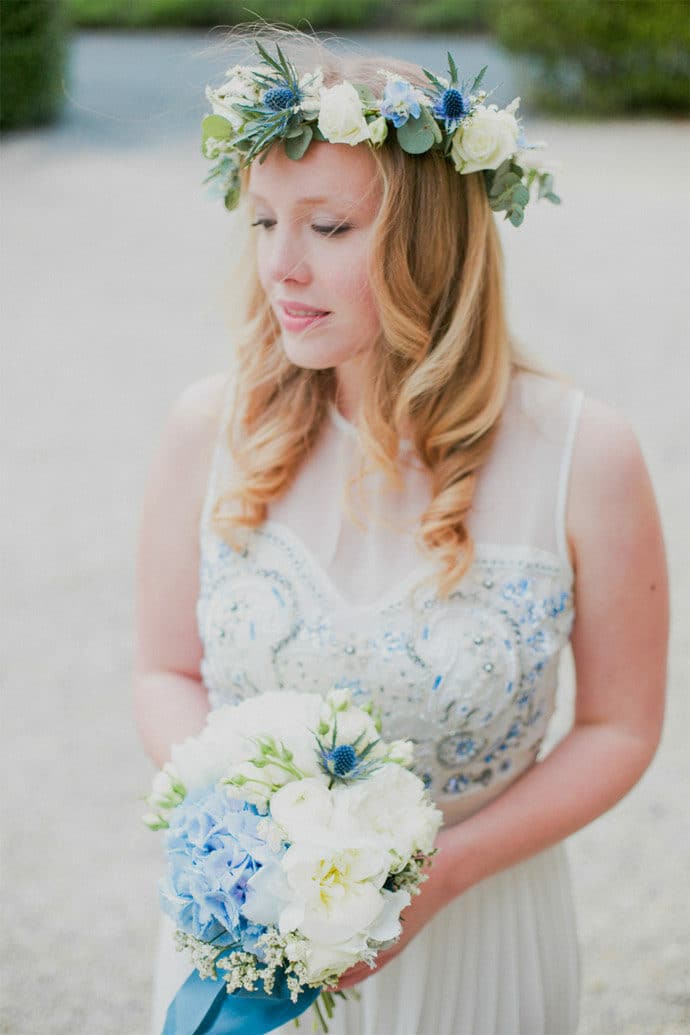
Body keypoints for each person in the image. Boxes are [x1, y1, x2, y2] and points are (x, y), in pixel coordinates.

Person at [135, 30, 668, 1035]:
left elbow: (621, 727)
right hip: (247, 941)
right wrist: (246, 827)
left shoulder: (585, 456)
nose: (279, 268)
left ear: (433, 242)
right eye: (262, 222)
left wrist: (442, 874)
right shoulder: (209, 430)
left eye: (328, 227)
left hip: (480, 932)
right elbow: (164, 670)